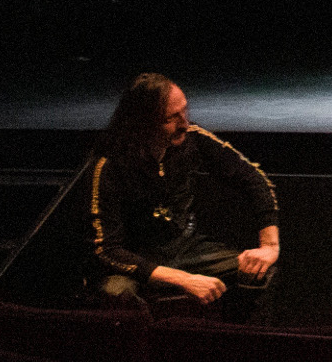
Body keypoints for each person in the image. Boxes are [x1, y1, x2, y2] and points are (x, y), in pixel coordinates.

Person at [91, 73, 280, 318]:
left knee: (259, 271)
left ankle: (237, 338)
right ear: (143, 123)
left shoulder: (192, 138)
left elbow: (254, 179)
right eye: (171, 118)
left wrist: (269, 246)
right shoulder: (109, 165)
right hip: (135, 259)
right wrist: (184, 279)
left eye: (184, 111)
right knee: (117, 293)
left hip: (183, 248)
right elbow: (107, 250)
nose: (184, 123)